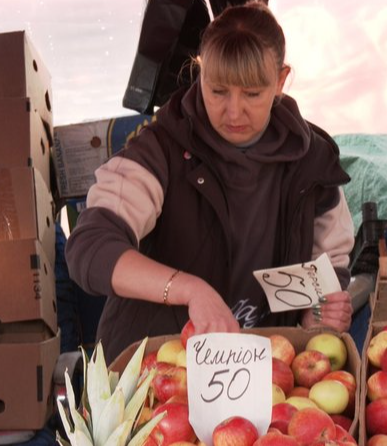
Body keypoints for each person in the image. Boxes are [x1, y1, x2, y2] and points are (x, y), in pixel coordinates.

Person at [66, 0, 355, 362]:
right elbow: (90, 247)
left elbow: (327, 268)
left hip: (262, 370)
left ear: (280, 81)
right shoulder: (160, 149)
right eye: (218, 90)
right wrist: (189, 290)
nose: (233, 111)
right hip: (156, 368)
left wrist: (316, 315)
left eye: (252, 93)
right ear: (200, 73)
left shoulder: (311, 161)